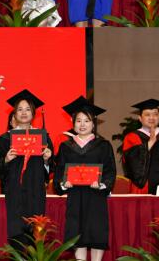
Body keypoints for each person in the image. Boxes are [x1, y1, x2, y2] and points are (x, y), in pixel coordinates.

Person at [0, 89, 53, 247]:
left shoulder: (43, 137)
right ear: (14, 114)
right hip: (14, 192)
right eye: (20, 109)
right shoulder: (5, 139)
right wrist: (6, 159)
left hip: (36, 192)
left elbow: (53, 167)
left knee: (36, 235)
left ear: (33, 113)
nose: (24, 113)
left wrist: (47, 160)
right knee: (16, 235)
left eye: (28, 109)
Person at [54, 97, 115, 261]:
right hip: (75, 197)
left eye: (87, 121)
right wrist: (64, 184)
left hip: (96, 197)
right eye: (78, 120)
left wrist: (102, 184)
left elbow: (110, 171)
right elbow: (59, 171)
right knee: (77, 234)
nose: (82, 124)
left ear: (93, 124)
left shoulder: (103, 145)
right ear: (73, 123)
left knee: (96, 234)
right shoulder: (66, 146)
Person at [122, 98, 159, 193]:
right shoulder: (131, 137)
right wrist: (149, 143)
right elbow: (131, 163)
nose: (152, 118)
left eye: (155, 114)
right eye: (147, 115)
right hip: (143, 189)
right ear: (140, 118)